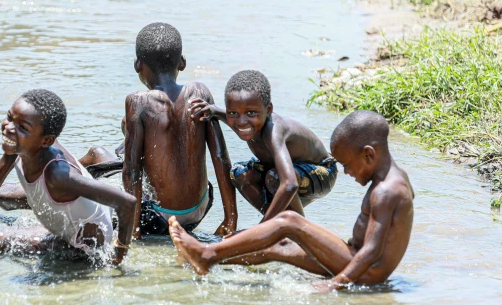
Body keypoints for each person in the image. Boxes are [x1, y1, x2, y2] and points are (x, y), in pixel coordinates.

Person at [169, 111, 414, 291]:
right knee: (280, 247)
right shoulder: (396, 177)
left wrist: (334, 284)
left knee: (289, 221)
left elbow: (371, 252)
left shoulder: (386, 191)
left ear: (369, 154)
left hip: (365, 271)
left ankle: (207, 254)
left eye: (347, 165)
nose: (347, 173)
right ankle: (199, 259)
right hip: (355, 260)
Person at [0, 89, 136, 264]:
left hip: (84, 246)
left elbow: (127, 202)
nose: (8, 128)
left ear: (46, 141)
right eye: (9, 117)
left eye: (22, 127)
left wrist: (119, 252)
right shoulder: (19, 144)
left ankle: (20, 200)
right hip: (68, 220)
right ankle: (20, 198)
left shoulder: (58, 175)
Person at [123, 23, 237, 237]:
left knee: (98, 156)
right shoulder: (200, 92)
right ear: (182, 62)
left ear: (138, 64)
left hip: (158, 218)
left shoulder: (137, 102)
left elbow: (131, 171)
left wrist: (134, 228)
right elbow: (220, 157)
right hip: (200, 209)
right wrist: (230, 220)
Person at [189, 70, 337, 221]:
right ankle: (278, 224)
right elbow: (228, 115)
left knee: (276, 177)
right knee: (240, 173)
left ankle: (297, 228)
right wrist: (213, 110)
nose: (241, 122)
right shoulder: (248, 123)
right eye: (233, 113)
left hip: (322, 171)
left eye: (251, 112)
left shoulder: (274, 131)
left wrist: (260, 229)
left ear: (268, 110)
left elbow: (289, 184)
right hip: (288, 172)